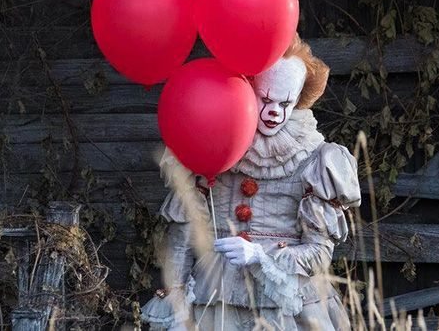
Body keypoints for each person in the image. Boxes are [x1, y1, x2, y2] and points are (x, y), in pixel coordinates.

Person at [140, 36, 361, 330]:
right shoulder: (211, 144)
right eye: (266, 99)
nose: (275, 112)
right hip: (215, 296)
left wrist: (262, 256)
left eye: (286, 103)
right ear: (245, 88)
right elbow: (183, 234)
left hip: (285, 300)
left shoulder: (315, 159)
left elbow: (319, 253)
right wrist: (177, 299)